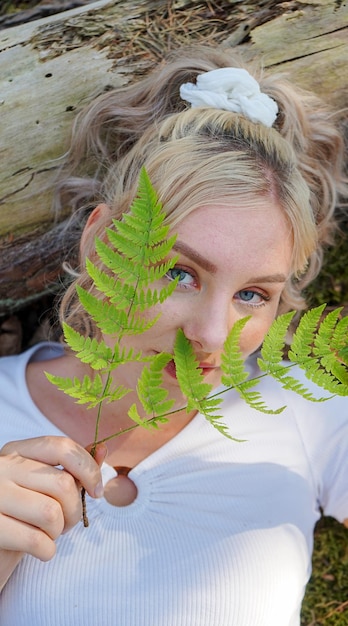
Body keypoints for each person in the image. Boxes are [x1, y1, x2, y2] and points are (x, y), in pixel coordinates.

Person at [0, 44, 347, 626]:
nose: (212, 335)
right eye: (179, 273)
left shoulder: (303, 414)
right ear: (102, 242)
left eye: (252, 295)